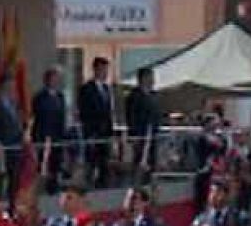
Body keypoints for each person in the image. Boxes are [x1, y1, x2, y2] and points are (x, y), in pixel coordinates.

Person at [78, 57, 117, 189]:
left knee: (104, 163)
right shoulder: (86, 89)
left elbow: (109, 112)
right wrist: (89, 134)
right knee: (91, 162)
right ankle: (89, 187)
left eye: (106, 70)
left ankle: (103, 186)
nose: (105, 73)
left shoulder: (106, 89)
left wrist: (111, 133)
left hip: (105, 134)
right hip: (93, 133)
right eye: (102, 69)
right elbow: (84, 113)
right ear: (95, 70)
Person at [32, 67, 69, 194]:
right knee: (43, 163)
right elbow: (37, 117)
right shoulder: (40, 97)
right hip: (44, 135)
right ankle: (41, 188)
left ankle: (53, 186)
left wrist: (63, 134)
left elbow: (62, 117)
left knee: (56, 163)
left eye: (57, 79)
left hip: (57, 136)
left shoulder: (60, 96)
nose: (55, 81)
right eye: (53, 78)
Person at [125, 66, 162, 179]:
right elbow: (131, 116)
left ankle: (150, 180)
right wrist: (133, 135)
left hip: (152, 134)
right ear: (143, 78)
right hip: (140, 135)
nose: (152, 80)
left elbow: (157, 113)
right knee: (140, 160)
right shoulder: (134, 96)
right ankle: (138, 182)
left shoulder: (154, 95)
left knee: (152, 160)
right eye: (150, 77)